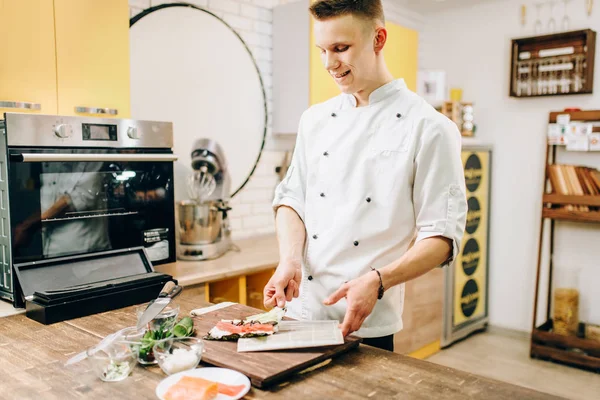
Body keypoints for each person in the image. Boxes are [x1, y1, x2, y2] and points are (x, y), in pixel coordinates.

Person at [264, 0, 468, 352]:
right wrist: (290, 259)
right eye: (323, 50)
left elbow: (442, 236)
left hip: (366, 323)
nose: (330, 63)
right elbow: (291, 200)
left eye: (341, 48)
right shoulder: (314, 120)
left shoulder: (431, 128)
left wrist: (378, 281)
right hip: (299, 311)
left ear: (378, 39)